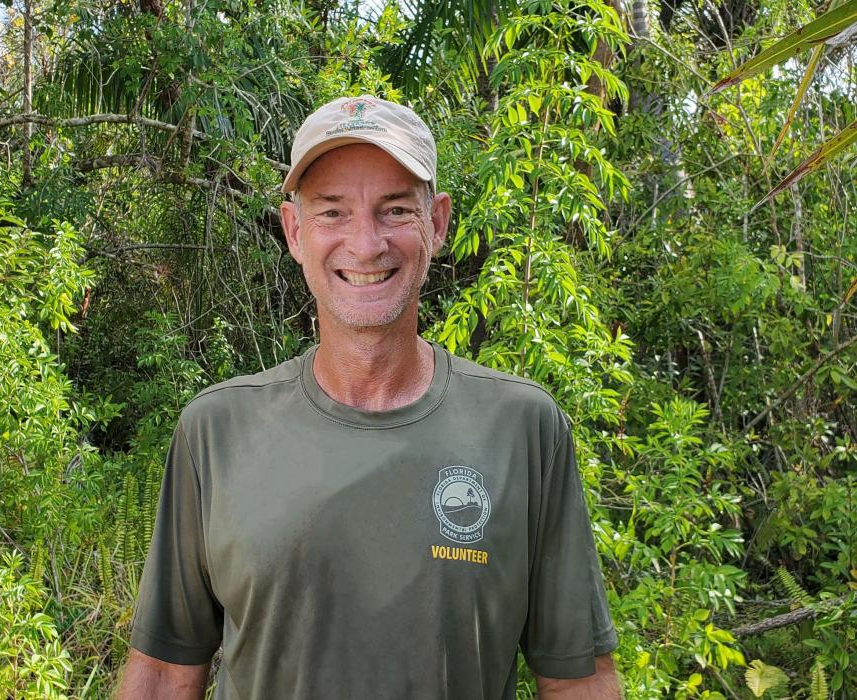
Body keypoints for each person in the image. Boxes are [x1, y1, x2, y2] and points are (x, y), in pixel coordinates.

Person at [119, 95, 622, 699]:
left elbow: (577, 681)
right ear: (294, 231)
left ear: (436, 224)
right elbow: (164, 674)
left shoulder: (523, 429)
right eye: (332, 212)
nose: (365, 243)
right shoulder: (216, 432)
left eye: (394, 210)